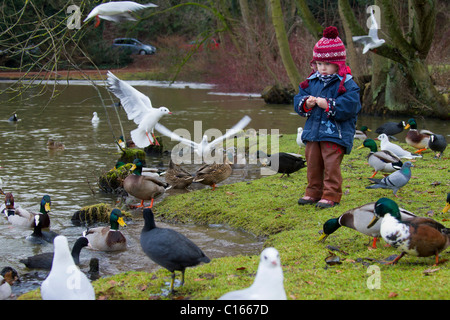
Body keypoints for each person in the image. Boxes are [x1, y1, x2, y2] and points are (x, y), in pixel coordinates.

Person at [294, 26, 361, 209]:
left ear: (338, 64)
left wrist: (328, 104)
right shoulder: (311, 81)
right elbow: (298, 99)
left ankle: (331, 194)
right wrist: (305, 103)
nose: (322, 68)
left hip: (336, 133)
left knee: (331, 165)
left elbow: (351, 106)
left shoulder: (347, 84)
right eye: (319, 64)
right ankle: (313, 191)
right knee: (313, 163)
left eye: (327, 65)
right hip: (313, 132)